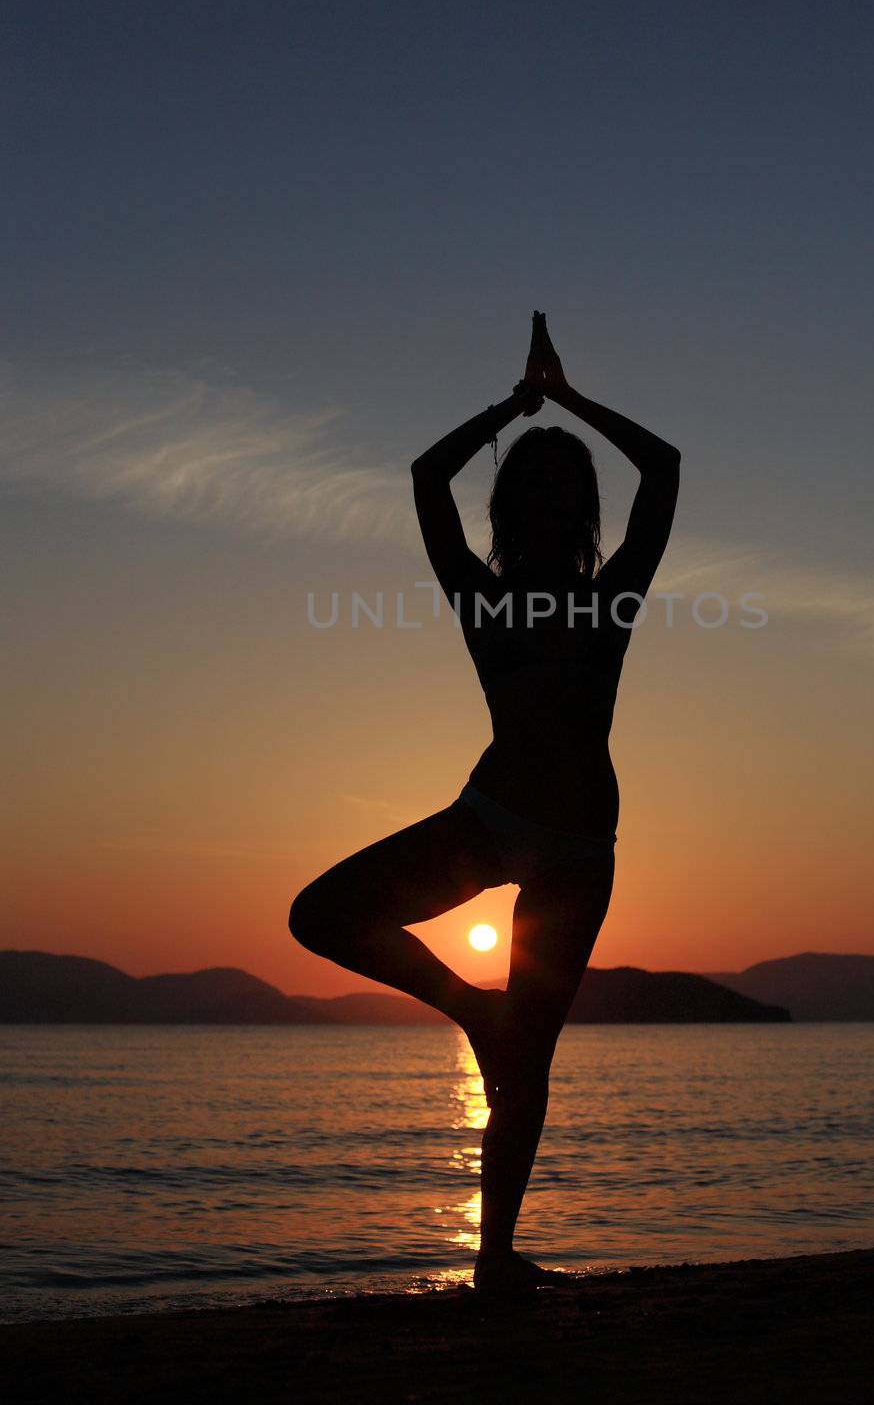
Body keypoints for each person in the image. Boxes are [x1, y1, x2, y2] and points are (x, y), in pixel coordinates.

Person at [288, 311, 681, 1293]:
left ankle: (494, 1257)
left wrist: (548, 403)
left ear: (569, 512)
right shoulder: (505, 597)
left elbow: (660, 469)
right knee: (324, 916)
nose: (550, 512)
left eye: (561, 495)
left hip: (576, 842)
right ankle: (471, 1011)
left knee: (529, 1056)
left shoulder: (598, 595)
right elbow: (430, 481)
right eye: (538, 494)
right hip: (503, 816)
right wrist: (533, 403)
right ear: (523, 512)